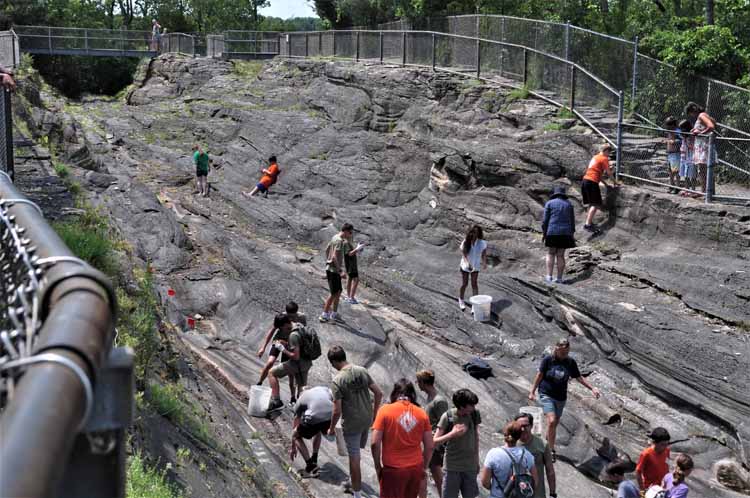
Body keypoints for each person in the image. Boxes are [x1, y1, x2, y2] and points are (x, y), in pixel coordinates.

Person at [527, 337, 600, 461]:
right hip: (546, 394)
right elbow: (540, 375)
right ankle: (550, 451)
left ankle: (546, 442)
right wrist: (532, 391)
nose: (564, 355)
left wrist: (592, 388)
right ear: (556, 349)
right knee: (551, 420)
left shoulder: (570, 362)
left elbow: (578, 377)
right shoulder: (548, 360)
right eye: (562, 352)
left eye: (566, 352)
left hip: (561, 397)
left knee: (554, 424)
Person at [327, 346, 383, 498]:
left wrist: (331, 429)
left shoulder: (337, 380)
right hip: (367, 419)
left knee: (355, 458)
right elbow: (378, 393)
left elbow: (337, 410)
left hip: (352, 423)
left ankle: (357, 493)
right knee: (357, 450)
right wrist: (375, 415)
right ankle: (354, 481)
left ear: (333, 362)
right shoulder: (362, 370)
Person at [371, 378, 434, 498]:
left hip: (393, 470)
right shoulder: (422, 413)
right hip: (415, 469)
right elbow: (430, 446)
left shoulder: (385, 411)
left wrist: (377, 466)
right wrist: (423, 468)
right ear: (412, 395)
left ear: (395, 393)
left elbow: (375, 443)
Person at [433, 389, 481, 498]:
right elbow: (434, 441)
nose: (474, 407)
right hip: (452, 468)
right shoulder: (448, 417)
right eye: (471, 405)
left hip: (470, 467)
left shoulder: (474, 414)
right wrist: (452, 434)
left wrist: (477, 461)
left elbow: (476, 438)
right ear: (462, 405)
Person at [256, 303, 307, 399]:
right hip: (279, 341)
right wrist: (263, 347)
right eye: (289, 316)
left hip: (289, 344)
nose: (291, 318)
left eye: (292, 316)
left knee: (291, 373)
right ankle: (259, 383)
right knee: (270, 362)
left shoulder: (301, 318)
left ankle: (292, 397)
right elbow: (272, 331)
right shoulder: (282, 316)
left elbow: (303, 333)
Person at [266, 315, 312, 413]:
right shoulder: (299, 325)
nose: (281, 330)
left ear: (285, 324)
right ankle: (301, 411)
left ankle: (277, 402)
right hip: (307, 361)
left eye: (281, 328)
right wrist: (286, 344)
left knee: (271, 373)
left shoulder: (293, 335)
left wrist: (282, 349)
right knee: (301, 386)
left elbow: (295, 356)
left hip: (298, 363)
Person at [480, 420, 538, 498]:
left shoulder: (493, 454)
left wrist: (494, 489)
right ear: (519, 436)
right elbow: (535, 480)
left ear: (505, 434)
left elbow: (485, 482)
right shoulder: (526, 454)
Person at [416, 370, 450, 498]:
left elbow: (445, 423)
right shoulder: (430, 398)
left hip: (435, 443)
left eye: (418, 382)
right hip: (429, 441)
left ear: (424, 383)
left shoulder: (439, 401)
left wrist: (436, 441)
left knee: (437, 473)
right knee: (434, 473)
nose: (418, 385)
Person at [290, 386, 333, 477]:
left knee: (296, 436)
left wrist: (293, 447)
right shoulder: (321, 389)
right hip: (330, 414)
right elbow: (333, 396)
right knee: (317, 430)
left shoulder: (300, 399)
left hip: (315, 416)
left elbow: (295, 424)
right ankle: (314, 457)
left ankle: (310, 466)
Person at [515, 413, 557, 498]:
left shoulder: (542, 444)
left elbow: (550, 471)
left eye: (525, 425)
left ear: (531, 426)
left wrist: (552, 493)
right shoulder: (511, 444)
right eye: (519, 426)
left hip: (537, 494)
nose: (522, 429)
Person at [541, 185, 575, 284]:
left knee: (551, 253)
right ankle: (559, 278)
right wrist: (572, 233)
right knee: (560, 255)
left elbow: (545, 221)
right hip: (566, 232)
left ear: (554, 194)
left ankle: (549, 277)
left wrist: (544, 233)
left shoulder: (549, 203)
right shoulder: (569, 204)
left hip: (552, 231)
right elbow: (572, 221)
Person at [320, 223, 353, 323]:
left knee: (338, 292)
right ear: (346, 231)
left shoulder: (335, 237)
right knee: (334, 293)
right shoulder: (339, 241)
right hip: (334, 271)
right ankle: (324, 314)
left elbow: (327, 249)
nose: (351, 234)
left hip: (331, 268)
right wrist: (340, 271)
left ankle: (334, 314)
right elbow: (334, 256)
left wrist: (328, 261)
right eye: (350, 232)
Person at [581, 143, 617, 233]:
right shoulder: (604, 158)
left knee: (591, 203)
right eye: (609, 152)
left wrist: (605, 184)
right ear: (605, 151)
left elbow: (598, 174)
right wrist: (616, 182)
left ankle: (589, 222)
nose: (609, 155)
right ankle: (587, 225)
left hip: (585, 180)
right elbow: (609, 173)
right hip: (591, 182)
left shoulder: (595, 157)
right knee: (596, 204)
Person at [685, 102, 715, 194]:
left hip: (703, 147)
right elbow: (710, 124)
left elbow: (711, 126)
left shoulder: (701, 115)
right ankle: (708, 192)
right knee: (705, 170)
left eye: (690, 113)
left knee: (702, 171)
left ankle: (704, 193)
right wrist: (696, 130)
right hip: (703, 146)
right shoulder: (704, 115)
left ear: (693, 110)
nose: (691, 116)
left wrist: (700, 133)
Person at [458, 225, 487, 311]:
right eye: (473, 232)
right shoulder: (466, 241)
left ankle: (475, 304)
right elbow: (463, 253)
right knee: (465, 284)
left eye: (476, 232)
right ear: (470, 232)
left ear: (479, 233)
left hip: (476, 265)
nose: (474, 234)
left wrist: (484, 262)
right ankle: (461, 299)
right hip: (465, 265)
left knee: (474, 284)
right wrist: (467, 263)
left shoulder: (482, 243)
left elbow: (484, 253)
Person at [343, 231, 366, 305]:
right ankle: (351, 297)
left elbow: (351, 252)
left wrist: (358, 248)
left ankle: (348, 296)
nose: (351, 235)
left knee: (349, 279)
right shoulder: (346, 243)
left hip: (351, 264)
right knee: (356, 280)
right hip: (351, 265)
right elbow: (349, 254)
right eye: (350, 233)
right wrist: (358, 248)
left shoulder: (348, 243)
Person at [678, 119, 697, 195]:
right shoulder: (683, 136)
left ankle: (693, 190)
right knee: (685, 175)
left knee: (692, 175)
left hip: (691, 157)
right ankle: (686, 189)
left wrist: (688, 139)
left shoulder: (691, 135)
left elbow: (692, 146)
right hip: (684, 157)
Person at [664, 116, 682, 192]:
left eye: (668, 125)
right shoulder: (669, 131)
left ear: (673, 125)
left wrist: (674, 141)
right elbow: (669, 140)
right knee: (670, 170)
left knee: (676, 171)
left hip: (676, 153)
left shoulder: (677, 131)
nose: (667, 126)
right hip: (670, 153)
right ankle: (671, 185)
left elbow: (682, 140)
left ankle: (677, 187)